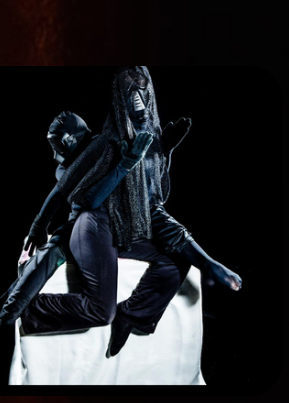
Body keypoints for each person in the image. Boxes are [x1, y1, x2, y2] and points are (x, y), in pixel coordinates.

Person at [14, 66, 243, 359]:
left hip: (125, 225)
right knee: (100, 307)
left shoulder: (126, 140)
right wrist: (38, 227)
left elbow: (154, 195)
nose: (138, 102)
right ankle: (29, 310)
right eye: (132, 95)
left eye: (142, 94)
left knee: (175, 261)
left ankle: (133, 314)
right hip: (95, 229)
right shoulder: (95, 150)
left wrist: (164, 152)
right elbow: (79, 197)